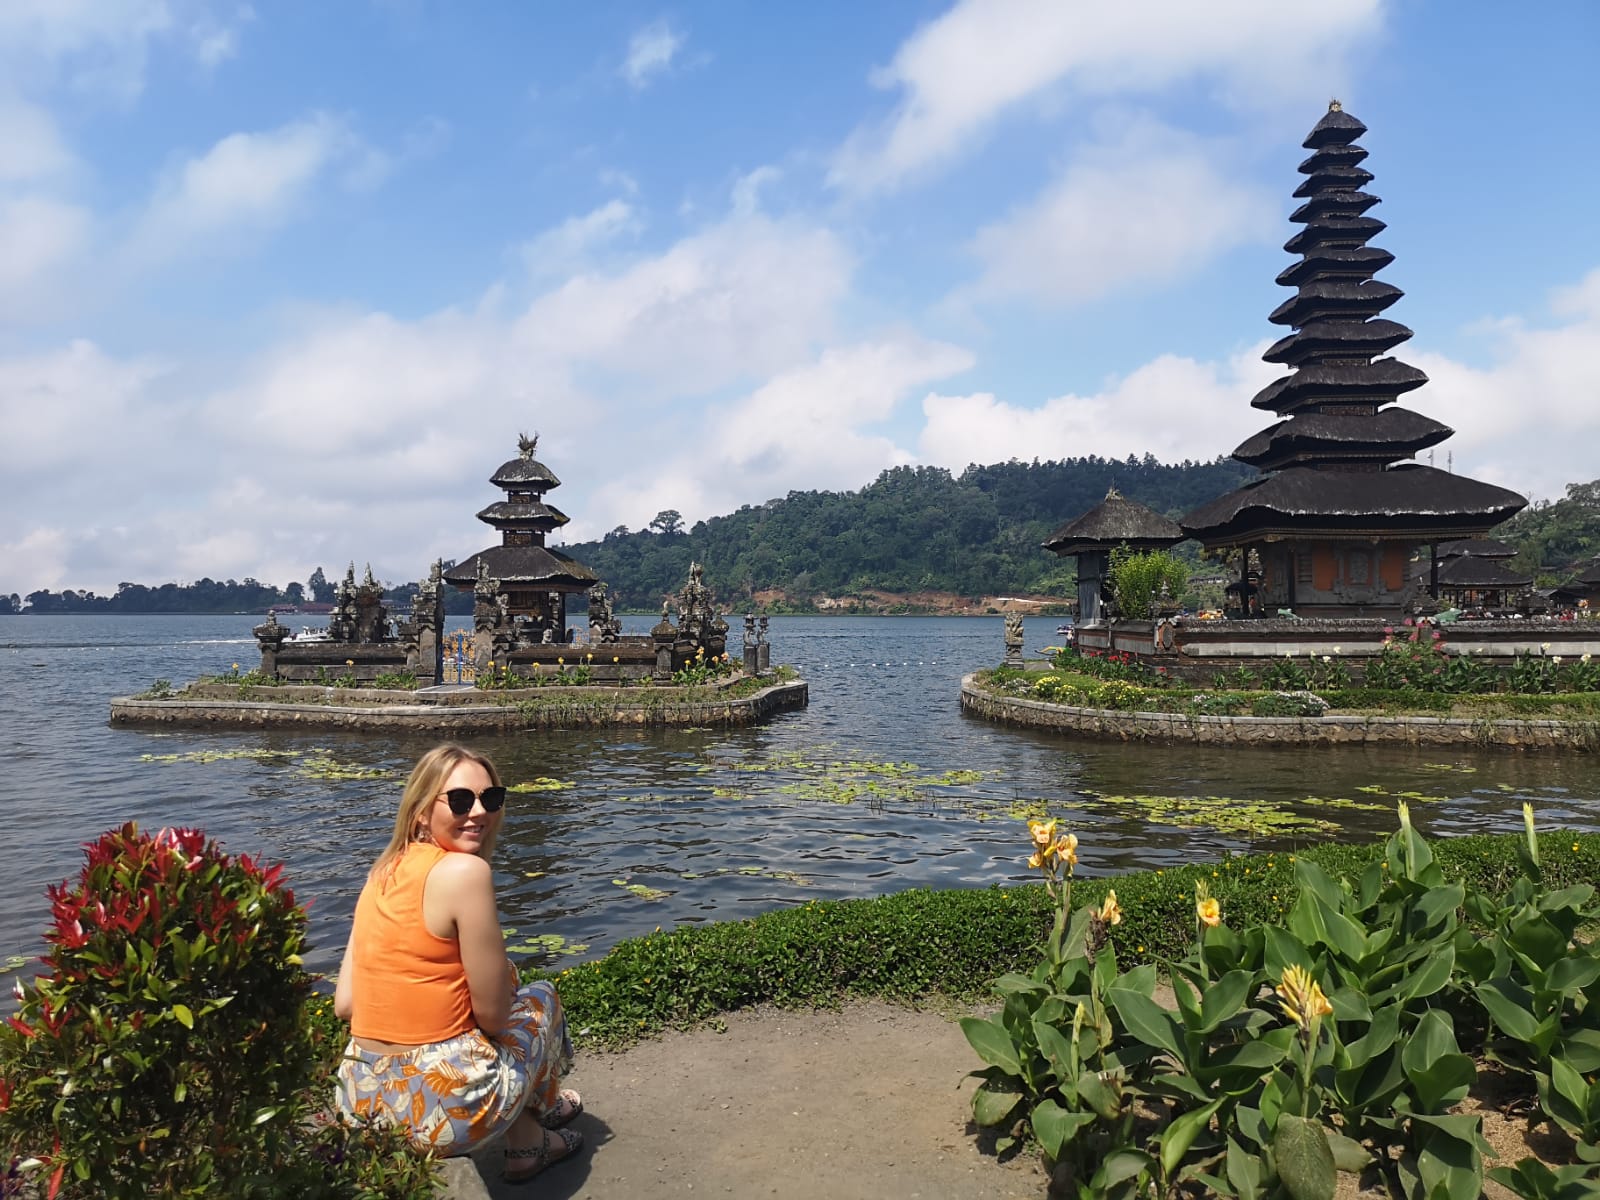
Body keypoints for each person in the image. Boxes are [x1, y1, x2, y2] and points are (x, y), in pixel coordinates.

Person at [334, 744, 581, 1183]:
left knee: (504, 986)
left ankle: (527, 1122)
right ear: (421, 812)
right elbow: (494, 1017)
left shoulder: (381, 871)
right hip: (437, 1111)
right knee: (538, 998)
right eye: (462, 800)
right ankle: (533, 1131)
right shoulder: (465, 874)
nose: (480, 812)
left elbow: (346, 1004)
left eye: (491, 799)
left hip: (361, 1102)